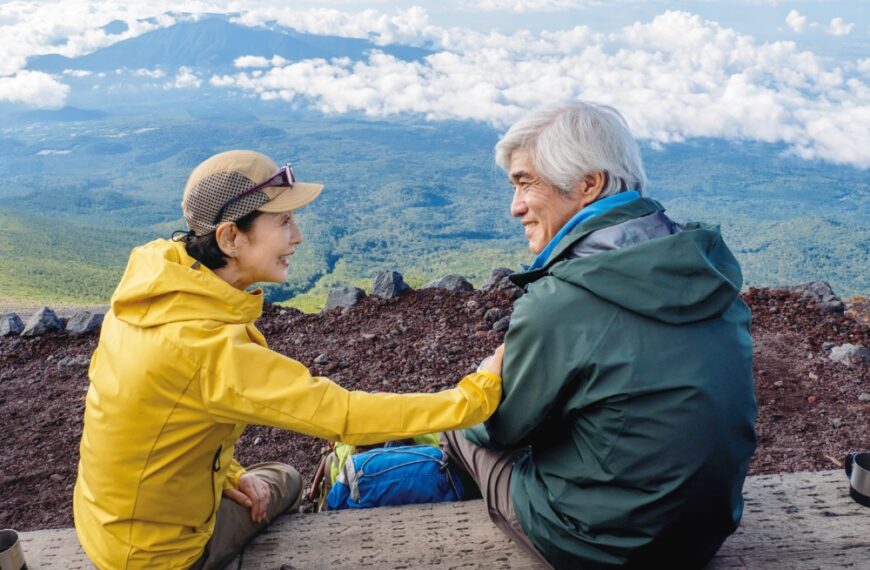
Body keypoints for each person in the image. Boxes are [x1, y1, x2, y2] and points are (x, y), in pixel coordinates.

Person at [73, 150, 505, 570]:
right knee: (288, 479)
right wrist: (475, 397)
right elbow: (346, 416)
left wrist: (231, 475)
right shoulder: (205, 348)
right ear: (229, 237)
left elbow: (145, 417)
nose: (296, 236)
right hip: (156, 556)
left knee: (267, 478)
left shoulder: (151, 291)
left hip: (103, 523)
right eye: (283, 222)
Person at [440, 102, 757, 569]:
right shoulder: (705, 270)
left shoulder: (559, 300)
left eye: (526, 182)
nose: (515, 207)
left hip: (604, 549)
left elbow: (501, 428)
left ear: (589, 184)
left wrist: (485, 380)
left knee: (460, 424)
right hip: (706, 532)